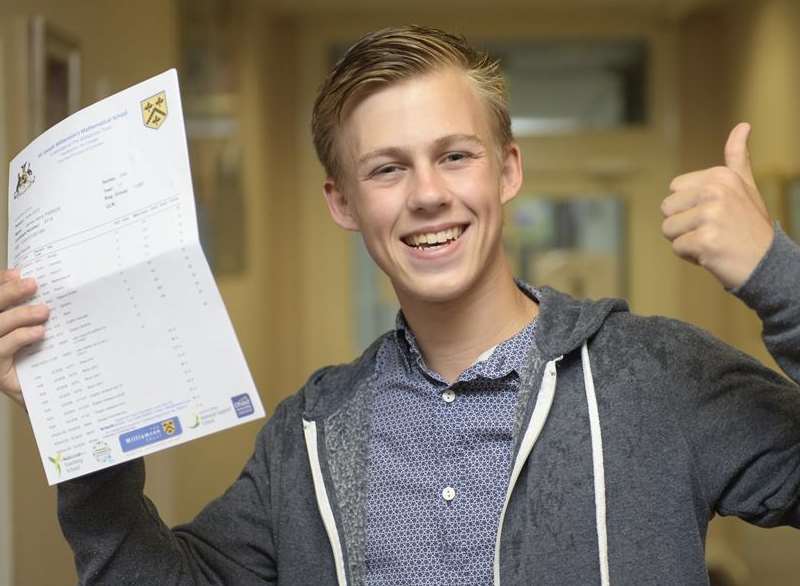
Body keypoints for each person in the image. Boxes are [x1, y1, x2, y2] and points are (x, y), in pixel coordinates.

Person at [2, 25, 799, 585]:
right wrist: (80, 411)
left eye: (455, 156)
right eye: (386, 170)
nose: (427, 195)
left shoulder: (657, 375)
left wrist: (775, 273)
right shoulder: (308, 435)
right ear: (343, 201)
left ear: (507, 171)